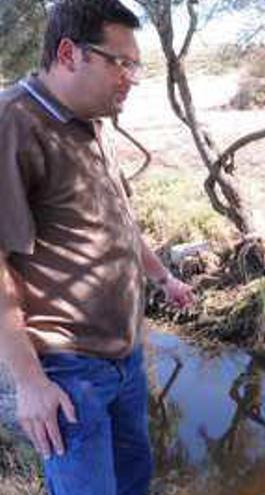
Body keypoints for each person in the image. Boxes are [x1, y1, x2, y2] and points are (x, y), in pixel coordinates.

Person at [0, 1, 194, 494]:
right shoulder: (13, 124)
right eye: (121, 62)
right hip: (68, 372)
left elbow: (119, 221)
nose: (130, 78)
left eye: (136, 66)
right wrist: (29, 383)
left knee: (134, 482)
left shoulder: (94, 122)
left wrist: (161, 277)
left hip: (125, 357)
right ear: (69, 54)